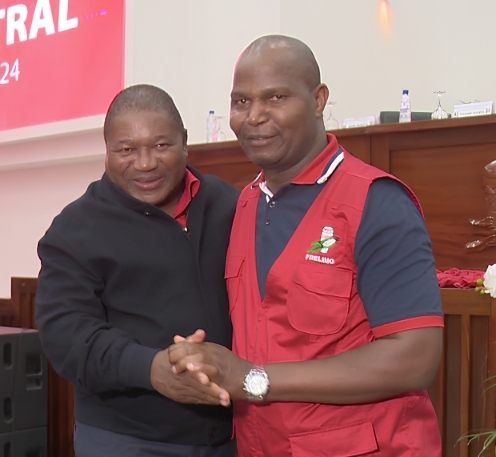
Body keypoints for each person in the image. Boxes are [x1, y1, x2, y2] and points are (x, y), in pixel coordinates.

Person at [168, 35, 444, 456]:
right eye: (241, 102)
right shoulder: (245, 203)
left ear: (318, 100)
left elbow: (415, 359)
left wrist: (253, 378)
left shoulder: (376, 201)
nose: (255, 116)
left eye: (275, 97)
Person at [35, 84, 239, 456]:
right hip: (128, 440)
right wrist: (151, 368)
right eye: (126, 150)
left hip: (232, 434)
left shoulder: (230, 204)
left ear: (184, 143)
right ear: (108, 152)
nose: (145, 163)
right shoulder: (75, 228)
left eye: (161, 146)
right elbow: (65, 335)